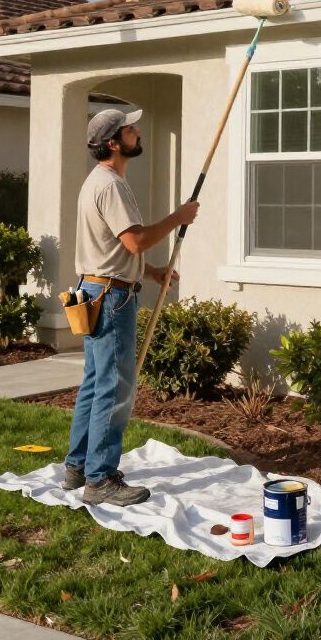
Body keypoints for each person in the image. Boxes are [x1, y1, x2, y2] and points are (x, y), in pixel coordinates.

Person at [62, 108, 199, 507]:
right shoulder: (112, 186)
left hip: (94, 290)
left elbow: (114, 248)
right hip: (111, 300)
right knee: (114, 388)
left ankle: (77, 467)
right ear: (112, 142)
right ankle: (100, 479)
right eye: (130, 128)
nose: (138, 131)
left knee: (94, 382)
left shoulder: (99, 182)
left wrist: (150, 272)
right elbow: (135, 240)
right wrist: (179, 216)